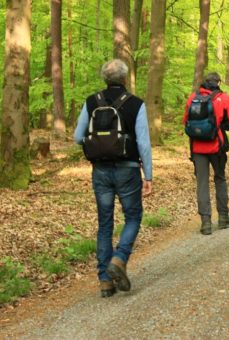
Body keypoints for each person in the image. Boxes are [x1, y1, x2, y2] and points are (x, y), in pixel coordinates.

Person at [74, 59, 153, 297]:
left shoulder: (91, 102)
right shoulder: (136, 104)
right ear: (125, 78)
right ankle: (119, 258)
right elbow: (143, 143)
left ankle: (105, 282)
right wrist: (148, 175)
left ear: (104, 79)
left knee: (105, 223)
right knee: (133, 216)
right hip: (128, 170)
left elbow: (78, 137)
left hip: (100, 171)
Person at [184, 72, 229, 235]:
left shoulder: (192, 97)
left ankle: (205, 222)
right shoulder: (224, 98)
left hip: (197, 147)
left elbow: (185, 121)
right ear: (218, 82)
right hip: (216, 146)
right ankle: (223, 217)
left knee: (202, 183)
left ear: (204, 82)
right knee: (220, 178)